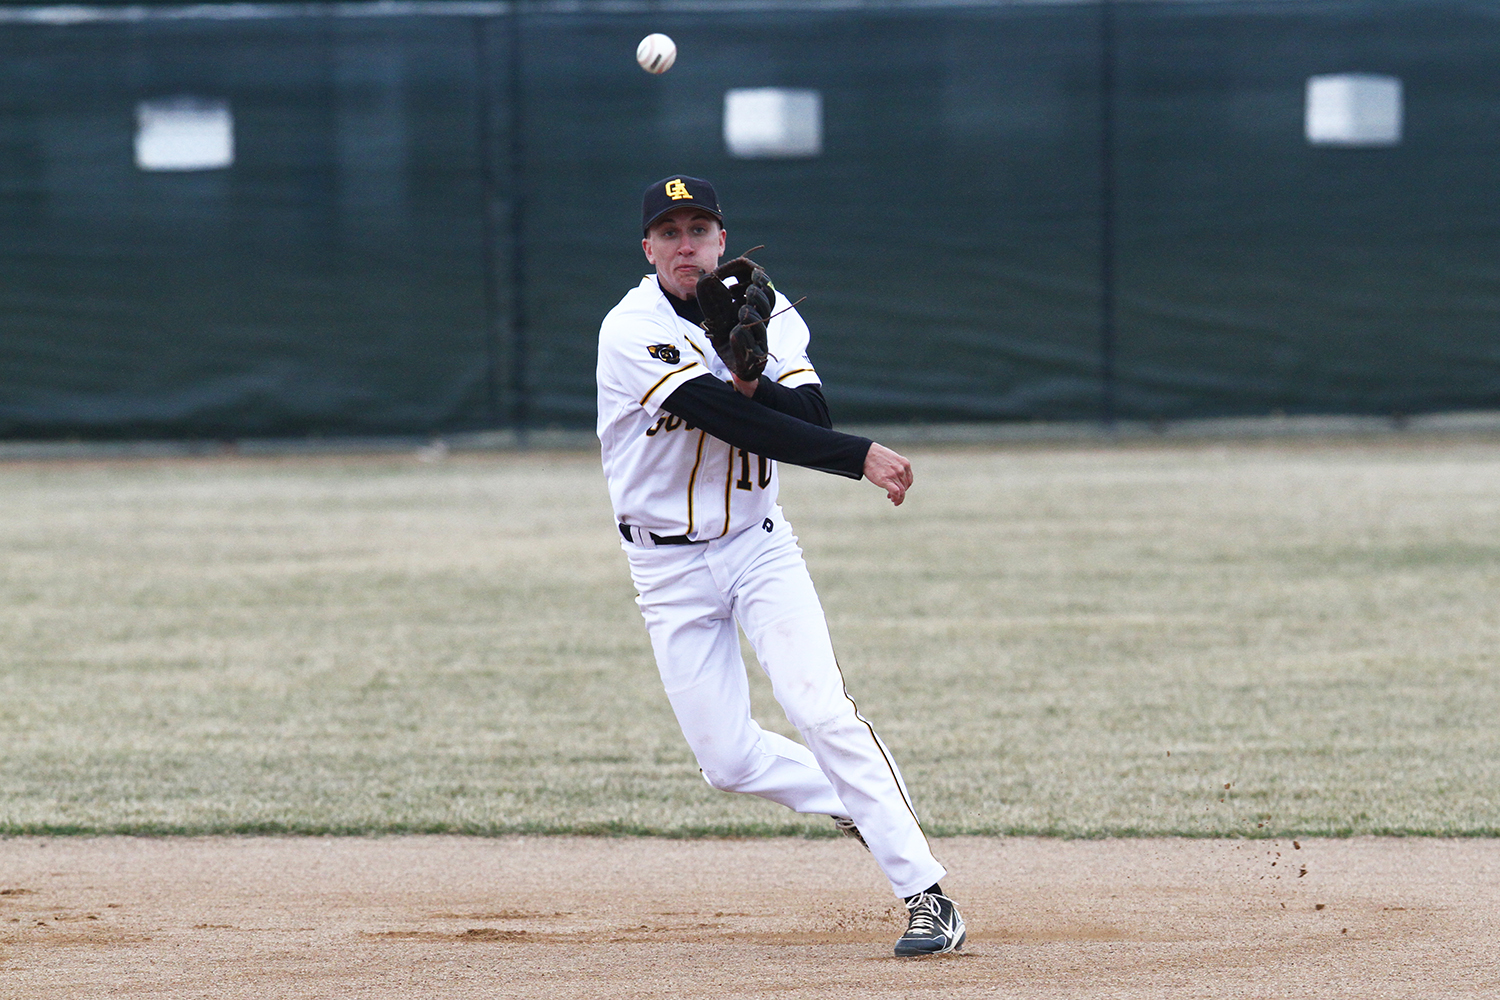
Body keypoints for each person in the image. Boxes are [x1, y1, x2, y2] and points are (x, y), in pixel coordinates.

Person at [595, 175, 966, 957]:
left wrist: (755, 368)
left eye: (699, 228)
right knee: (728, 761)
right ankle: (859, 802)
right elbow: (722, 416)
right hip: (664, 570)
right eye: (669, 232)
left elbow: (807, 418)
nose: (686, 244)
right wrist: (852, 455)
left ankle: (926, 895)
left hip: (757, 547)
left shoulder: (767, 306)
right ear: (648, 249)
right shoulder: (630, 329)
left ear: (722, 239)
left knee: (822, 711)